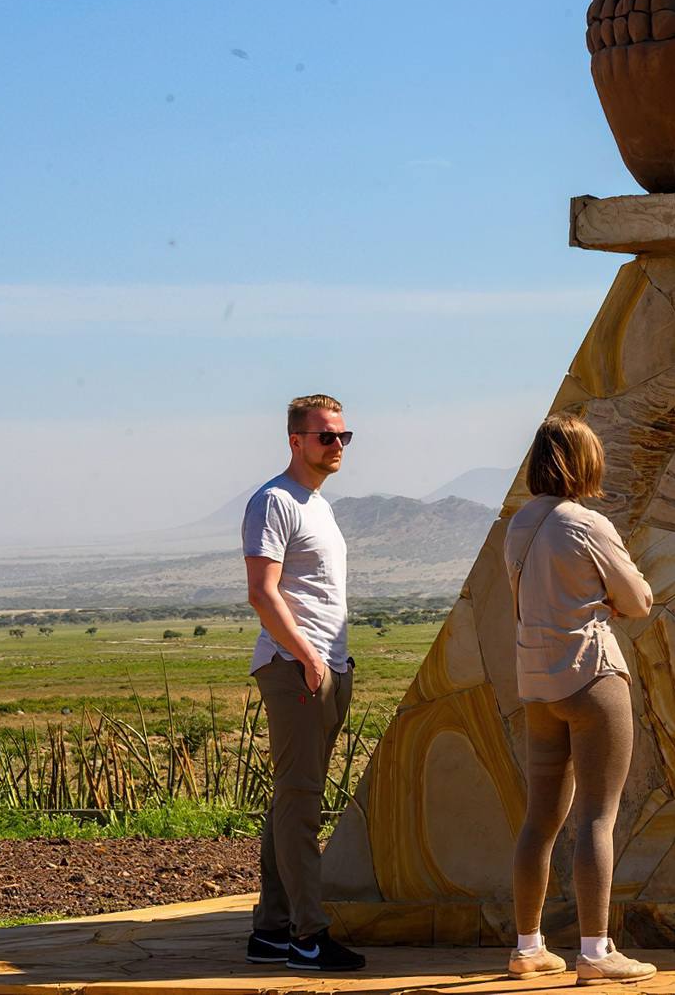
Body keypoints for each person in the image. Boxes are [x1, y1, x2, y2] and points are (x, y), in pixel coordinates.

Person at [505, 413, 657, 984]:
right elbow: (638, 598)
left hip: (536, 683)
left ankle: (527, 946)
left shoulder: (519, 524)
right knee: (598, 815)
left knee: (540, 818)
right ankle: (595, 952)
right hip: (592, 676)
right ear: (583, 460)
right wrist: (610, 602)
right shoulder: (584, 523)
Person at [241, 394, 364, 972]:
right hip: (297, 670)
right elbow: (262, 593)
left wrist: (332, 662)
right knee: (301, 802)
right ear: (296, 440)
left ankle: (271, 929)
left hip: (327, 667)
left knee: (290, 799)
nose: (336, 446)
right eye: (325, 437)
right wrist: (309, 658)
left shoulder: (319, 505)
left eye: (342, 436)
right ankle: (308, 938)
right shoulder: (274, 501)